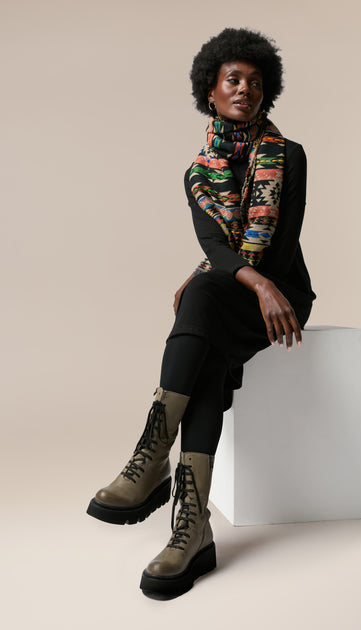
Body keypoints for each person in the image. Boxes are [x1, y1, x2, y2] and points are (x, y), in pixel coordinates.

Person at [87, 27, 316, 600]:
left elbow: (281, 250)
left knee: (202, 293)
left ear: (267, 93)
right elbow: (215, 248)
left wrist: (258, 282)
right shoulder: (198, 173)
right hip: (238, 289)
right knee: (206, 312)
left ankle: (152, 465)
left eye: (256, 82)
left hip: (284, 294)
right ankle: (192, 528)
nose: (245, 89)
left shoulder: (289, 156)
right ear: (210, 91)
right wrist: (234, 275)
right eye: (233, 79)